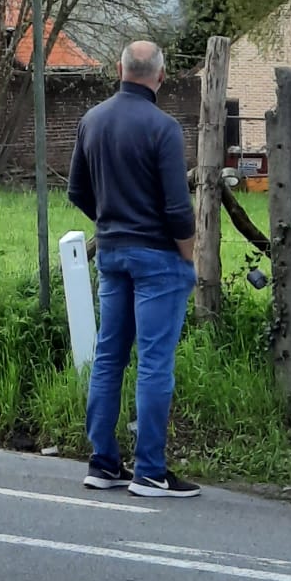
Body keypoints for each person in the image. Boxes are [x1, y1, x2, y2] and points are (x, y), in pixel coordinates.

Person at [67, 39, 200, 499]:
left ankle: (103, 463)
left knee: (109, 356)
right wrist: (187, 253)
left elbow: (78, 192)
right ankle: (149, 471)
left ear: (118, 71)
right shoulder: (164, 128)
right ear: (160, 77)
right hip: (158, 259)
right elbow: (179, 209)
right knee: (154, 362)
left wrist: (111, 224)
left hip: (112, 253)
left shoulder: (92, 120)